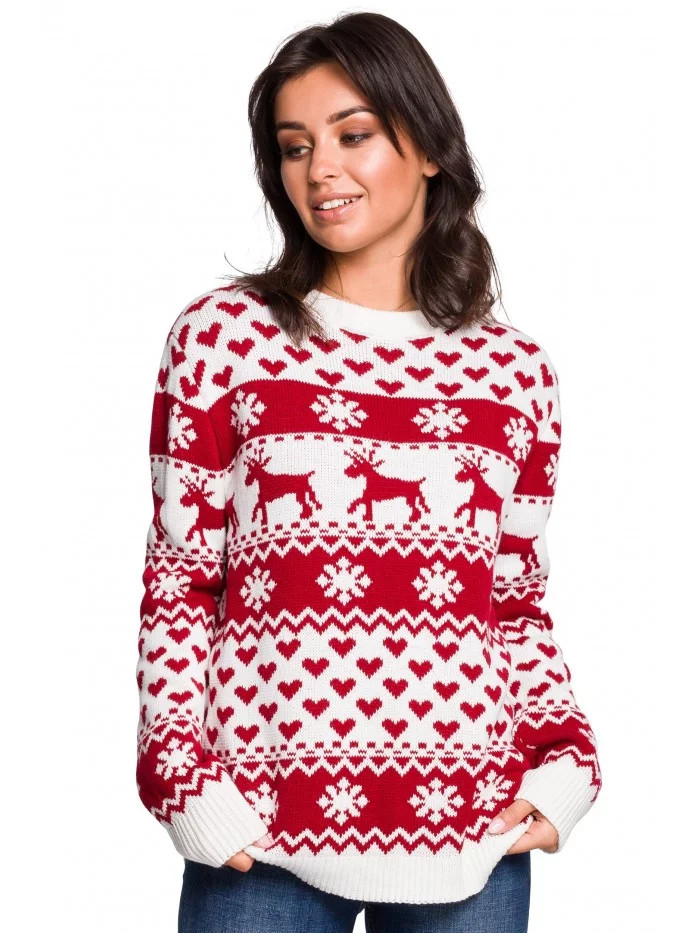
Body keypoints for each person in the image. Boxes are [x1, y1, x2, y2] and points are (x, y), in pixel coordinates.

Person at [135, 11, 602, 932]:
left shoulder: (515, 373)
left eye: (354, 136)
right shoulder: (224, 339)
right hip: (262, 829)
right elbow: (181, 579)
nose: (320, 170)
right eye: (295, 146)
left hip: (473, 831)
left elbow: (512, 602)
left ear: (426, 146)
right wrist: (180, 777)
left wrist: (565, 765)